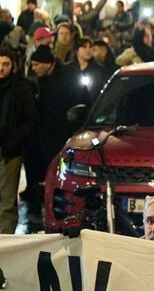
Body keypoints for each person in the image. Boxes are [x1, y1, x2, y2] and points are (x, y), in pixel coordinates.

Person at [24, 45, 88, 232]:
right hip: (41, 139)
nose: (33, 68)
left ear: (47, 64)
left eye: (36, 64)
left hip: (63, 137)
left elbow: (82, 102)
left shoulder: (69, 76)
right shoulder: (38, 81)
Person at [0, 48, 38, 234]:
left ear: (13, 66)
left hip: (10, 151)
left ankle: (4, 240)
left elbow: (29, 120)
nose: (1, 69)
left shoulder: (21, 88)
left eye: (5, 64)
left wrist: (14, 142)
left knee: (7, 200)